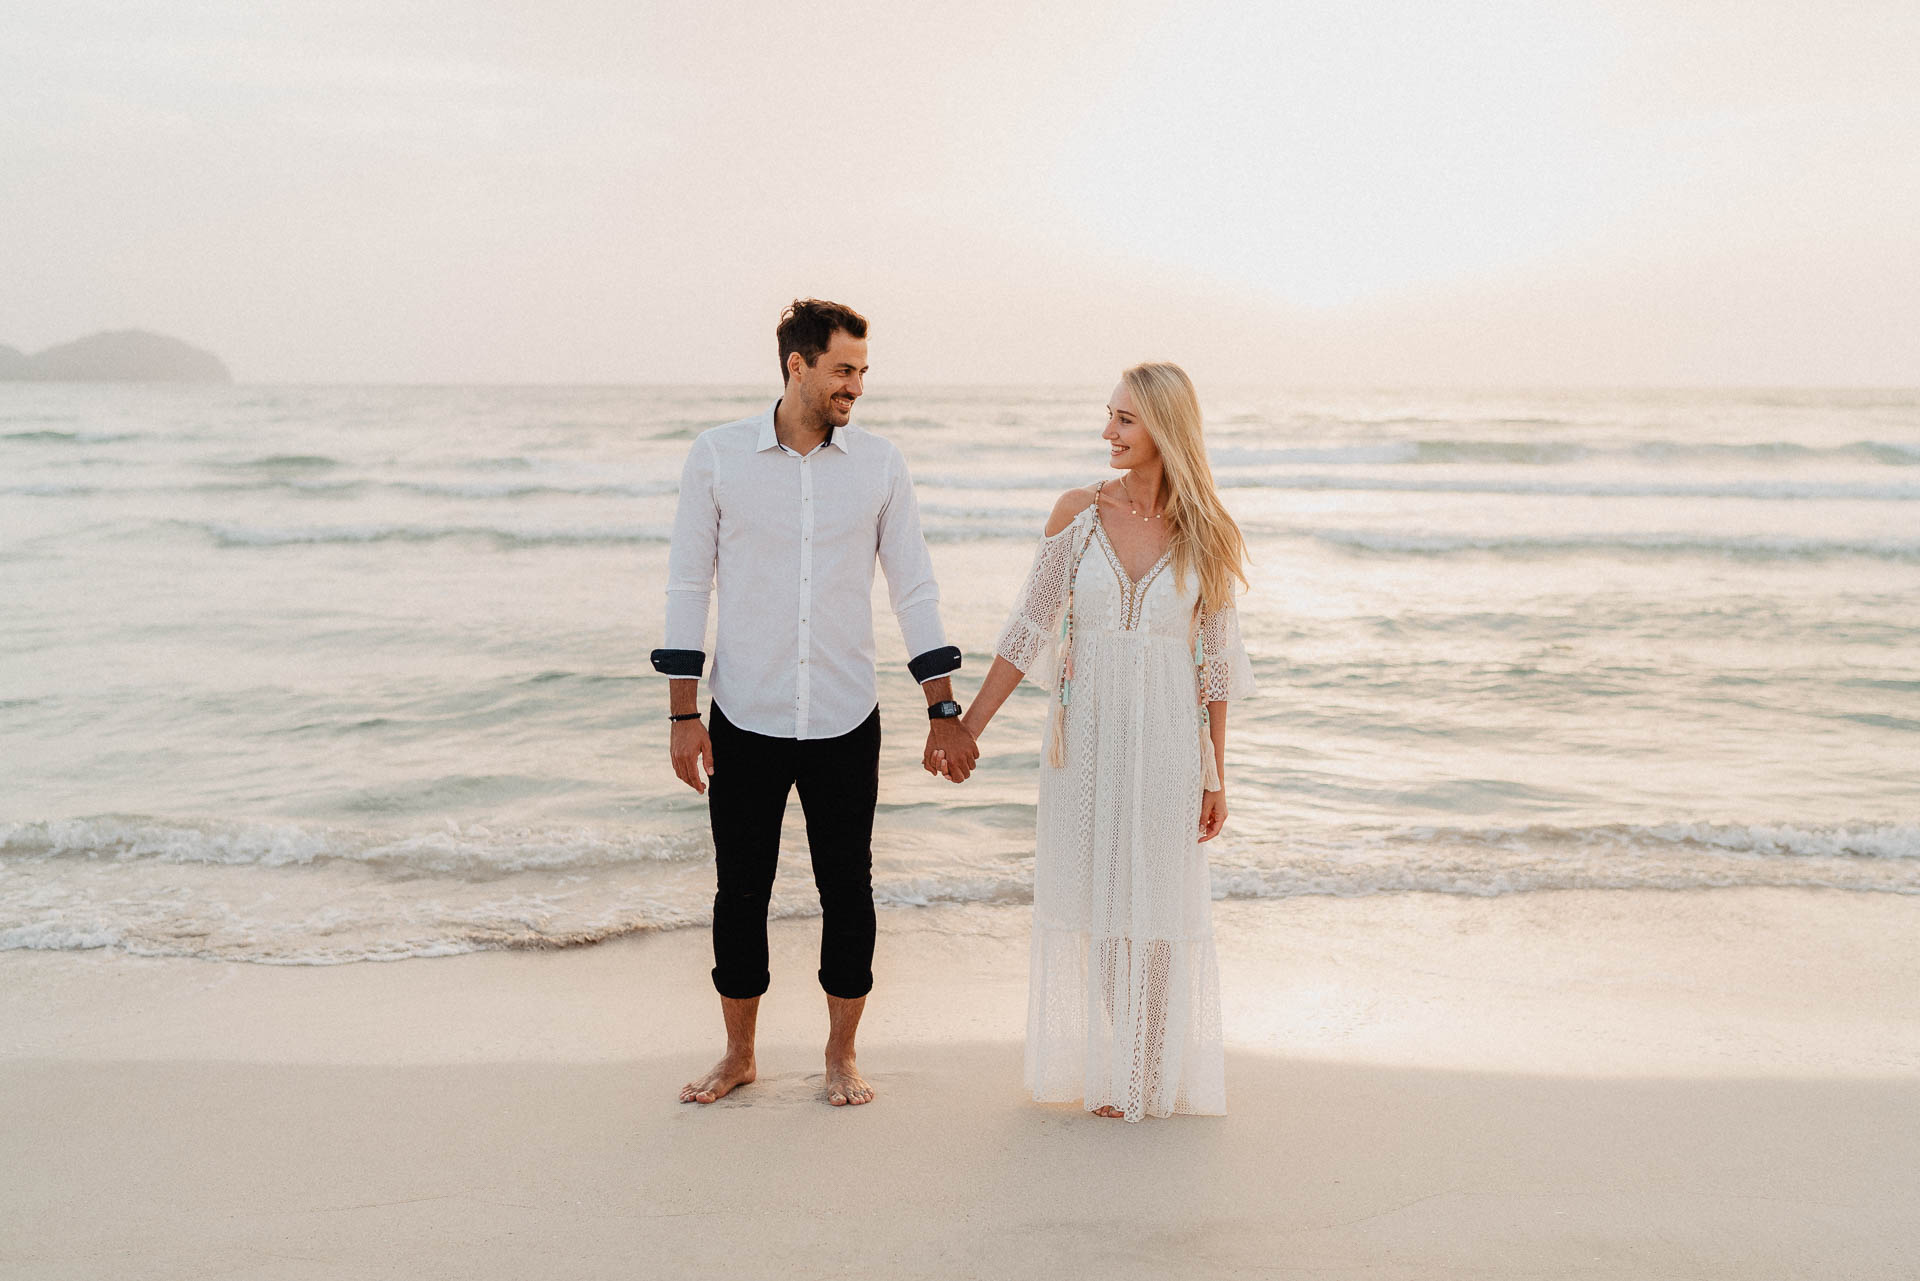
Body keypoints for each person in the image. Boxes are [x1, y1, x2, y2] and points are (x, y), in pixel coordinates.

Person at [652, 298, 979, 1108]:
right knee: (741, 891)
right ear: (796, 365)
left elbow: (915, 586)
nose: (857, 387)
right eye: (843, 369)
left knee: (848, 888)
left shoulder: (879, 464)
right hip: (746, 715)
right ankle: (739, 1056)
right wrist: (683, 714)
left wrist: (944, 708)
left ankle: (841, 1055)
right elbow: (689, 583)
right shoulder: (718, 457)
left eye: (863, 371)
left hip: (843, 716)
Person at [952, 362, 1254, 1121]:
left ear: (1165, 428)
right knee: (1100, 906)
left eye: (1124, 419)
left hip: (1167, 747)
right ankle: (1132, 1064)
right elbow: (1027, 629)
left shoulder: (1207, 532)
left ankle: (1148, 1068)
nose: (1108, 432)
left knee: (1154, 911)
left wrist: (1217, 776)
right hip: (1083, 741)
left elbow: (1213, 667)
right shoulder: (1076, 515)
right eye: (1108, 416)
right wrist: (967, 728)